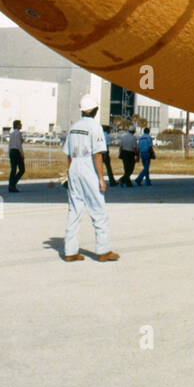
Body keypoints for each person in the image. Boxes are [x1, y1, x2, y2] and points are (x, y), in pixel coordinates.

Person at [62, 94, 119, 262]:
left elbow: (68, 154)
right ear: (95, 110)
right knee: (99, 211)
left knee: (74, 210)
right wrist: (101, 179)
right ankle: (103, 251)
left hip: (74, 169)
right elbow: (97, 155)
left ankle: (70, 251)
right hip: (89, 170)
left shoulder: (73, 127)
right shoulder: (95, 127)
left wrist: (69, 172)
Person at [8, 119, 26, 192]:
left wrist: (9, 152)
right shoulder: (18, 133)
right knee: (22, 169)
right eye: (20, 124)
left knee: (13, 170)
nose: (21, 125)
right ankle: (13, 184)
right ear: (17, 125)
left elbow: (10, 144)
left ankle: (11, 185)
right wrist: (22, 154)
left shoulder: (11, 133)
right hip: (17, 152)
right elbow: (19, 145)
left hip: (12, 151)